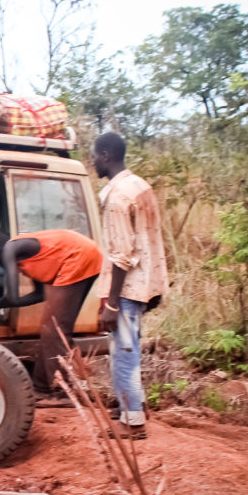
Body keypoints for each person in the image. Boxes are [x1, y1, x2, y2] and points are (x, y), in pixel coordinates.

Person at [92, 132, 169, 440]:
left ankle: (133, 422)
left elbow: (121, 255)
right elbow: (148, 240)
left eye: (95, 155)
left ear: (107, 155)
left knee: (124, 351)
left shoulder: (118, 198)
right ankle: (132, 406)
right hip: (146, 282)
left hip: (126, 287)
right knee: (130, 347)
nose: (93, 161)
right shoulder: (140, 186)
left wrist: (111, 303)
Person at [0, 229, 103, 404]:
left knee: (54, 329)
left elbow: (12, 297)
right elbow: (40, 295)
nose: (1, 265)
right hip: (85, 255)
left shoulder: (10, 248)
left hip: (79, 256)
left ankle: (62, 393)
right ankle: (41, 387)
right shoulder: (30, 258)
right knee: (53, 328)